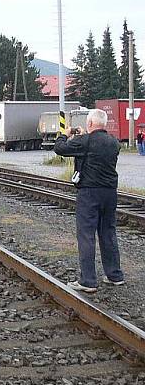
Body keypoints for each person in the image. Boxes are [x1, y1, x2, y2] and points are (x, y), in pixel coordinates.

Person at [53, 108, 125, 292]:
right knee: (108, 232)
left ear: (90, 123)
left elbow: (60, 149)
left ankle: (88, 280)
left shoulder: (85, 141)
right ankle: (115, 275)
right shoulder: (114, 142)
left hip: (89, 193)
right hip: (110, 193)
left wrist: (64, 134)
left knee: (86, 235)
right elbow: (96, 150)